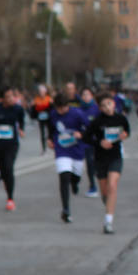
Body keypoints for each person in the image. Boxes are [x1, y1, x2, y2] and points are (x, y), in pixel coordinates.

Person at [84, 94, 131, 234]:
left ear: (114, 104)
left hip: (115, 157)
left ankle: (108, 222)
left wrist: (125, 135)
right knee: (105, 192)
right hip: (100, 159)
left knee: (112, 185)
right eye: (103, 105)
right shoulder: (97, 121)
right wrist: (99, 143)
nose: (107, 107)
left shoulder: (120, 118)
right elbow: (86, 137)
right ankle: (109, 206)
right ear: (100, 108)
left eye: (109, 103)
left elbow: (127, 130)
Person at [48, 92, 91, 224]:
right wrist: (49, 139)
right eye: (58, 108)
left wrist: (82, 134)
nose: (61, 111)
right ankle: (66, 209)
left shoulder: (77, 114)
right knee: (63, 177)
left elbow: (89, 128)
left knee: (75, 175)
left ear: (68, 106)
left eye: (63, 108)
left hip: (77, 150)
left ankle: (75, 182)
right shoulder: (53, 115)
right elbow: (51, 129)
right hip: (62, 149)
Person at [0, 88, 26, 211]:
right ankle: (6, 185)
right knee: (3, 170)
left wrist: (21, 129)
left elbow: (21, 120)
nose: (10, 99)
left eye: (12, 96)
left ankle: (10, 198)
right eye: (7, 96)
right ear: (2, 98)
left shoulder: (18, 109)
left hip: (12, 144)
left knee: (9, 168)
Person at [78, 87, 101, 197]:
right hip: (84, 141)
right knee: (88, 163)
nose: (86, 97)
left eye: (88, 94)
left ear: (92, 96)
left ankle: (96, 182)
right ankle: (92, 186)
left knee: (94, 163)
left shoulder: (97, 109)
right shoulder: (78, 109)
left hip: (95, 141)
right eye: (84, 95)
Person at [31, 85, 54, 153]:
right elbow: (33, 110)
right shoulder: (36, 99)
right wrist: (33, 106)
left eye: (42, 91)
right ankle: (43, 148)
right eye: (40, 92)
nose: (41, 93)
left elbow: (52, 109)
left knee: (50, 131)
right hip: (41, 118)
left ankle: (51, 143)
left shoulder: (49, 99)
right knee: (42, 133)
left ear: (45, 92)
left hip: (48, 118)